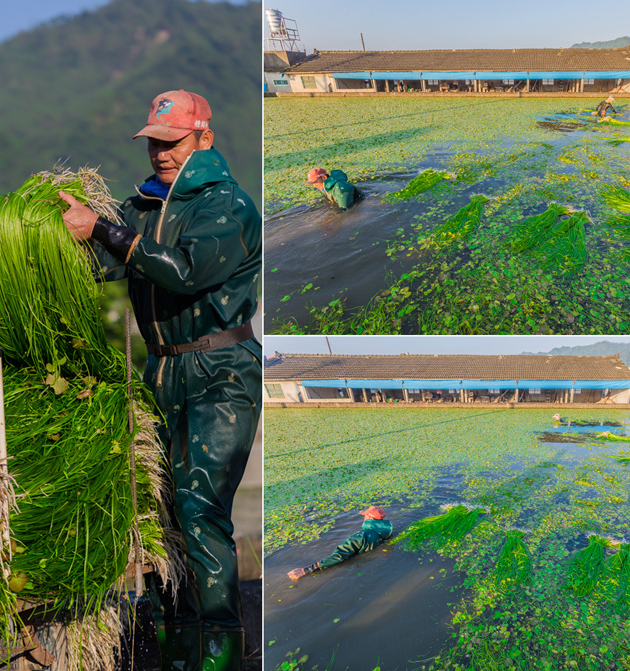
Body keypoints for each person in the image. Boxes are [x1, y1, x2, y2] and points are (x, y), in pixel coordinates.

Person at [59, 89, 261, 671]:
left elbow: (185, 271)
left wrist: (105, 229)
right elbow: (103, 261)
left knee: (199, 505)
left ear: (205, 139)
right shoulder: (146, 206)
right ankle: (179, 652)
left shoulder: (227, 206)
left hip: (221, 369)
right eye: (153, 142)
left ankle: (222, 652)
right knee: (164, 512)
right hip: (164, 365)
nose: (161, 154)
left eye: (172, 143)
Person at [287, 506, 393, 580]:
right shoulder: (386, 531)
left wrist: (306, 570)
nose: (363, 517)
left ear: (369, 517)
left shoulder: (359, 536)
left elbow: (339, 556)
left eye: (365, 515)